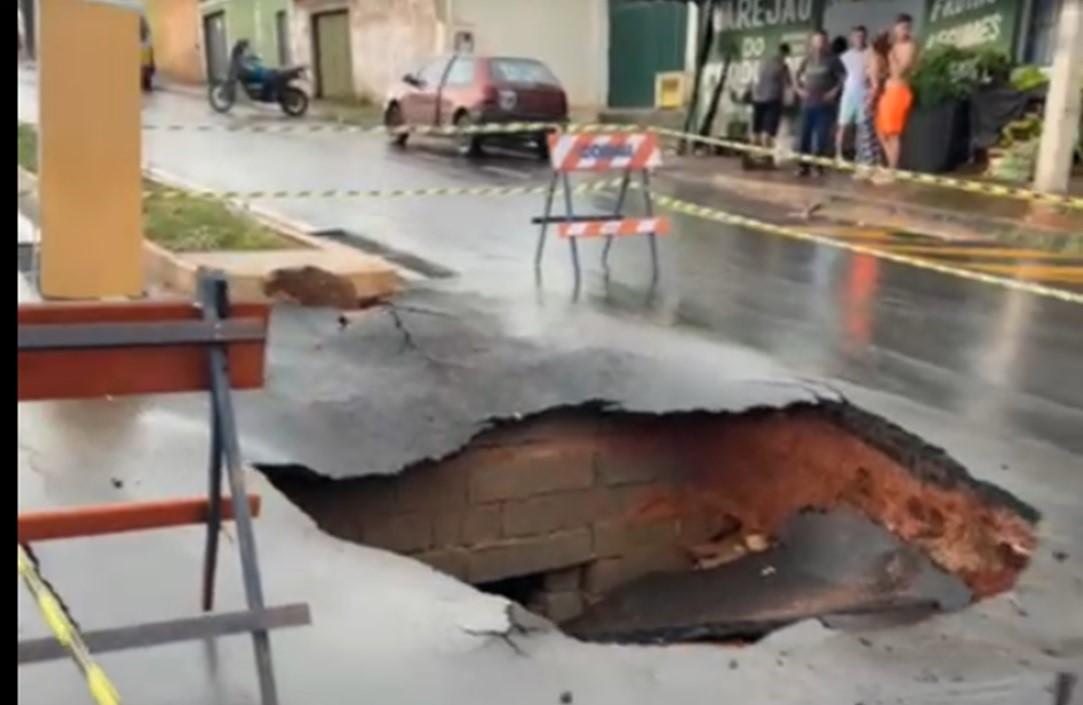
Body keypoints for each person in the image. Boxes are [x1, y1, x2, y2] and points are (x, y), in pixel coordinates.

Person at [795, 30, 845, 176]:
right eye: (817, 41)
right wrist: (799, 90)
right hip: (807, 104)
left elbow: (843, 78)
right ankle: (802, 166)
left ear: (826, 42)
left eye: (822, 41)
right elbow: (796, 75)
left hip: (824, 105)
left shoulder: (833, 59)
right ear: (812, 42)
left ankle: (818, 166)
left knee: (821, 136)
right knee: (805, 135)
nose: (819, 44)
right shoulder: (807, 59)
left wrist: (834, 92)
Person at [876, 14, 919, 174]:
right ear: (895, 28)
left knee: (892, 133)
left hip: (899, 90)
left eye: (907, 28)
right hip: (888, 91)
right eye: (902, 28)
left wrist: (890, 53)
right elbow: (886, 71)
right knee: (881, 131)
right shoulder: (892, 46)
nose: (904, 31)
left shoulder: (910, 46)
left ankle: (893, 170)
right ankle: (890, 165)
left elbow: (900, 71)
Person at [855, 31, 890, 172]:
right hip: (874, 98)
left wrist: (869, 101)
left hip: (870, 99)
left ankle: (868, 165)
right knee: (871, 134)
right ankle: (871, 163)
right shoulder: (882, 58)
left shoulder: (875, 59)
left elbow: (875, 85)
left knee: (866, 134)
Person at [750, 43, 793, 152]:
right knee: (768, 133)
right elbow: (788, 84)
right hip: (773, 100)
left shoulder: (764, 63)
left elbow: (755, 80)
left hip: (758, 99)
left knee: (756, 131)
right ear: (785, 54)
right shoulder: (782, 66)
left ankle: (753, 156)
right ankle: (765, 158)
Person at [835, 26, 869, 162]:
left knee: (862, 126)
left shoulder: (869, 55)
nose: (859, 39)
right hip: (849, 94)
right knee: (843, 125)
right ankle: (838, 155)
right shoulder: (844, 57)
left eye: (862, 36)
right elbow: (840, 76)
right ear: (851, 38)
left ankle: (859, 156)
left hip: (864, 94)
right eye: (856, 36)